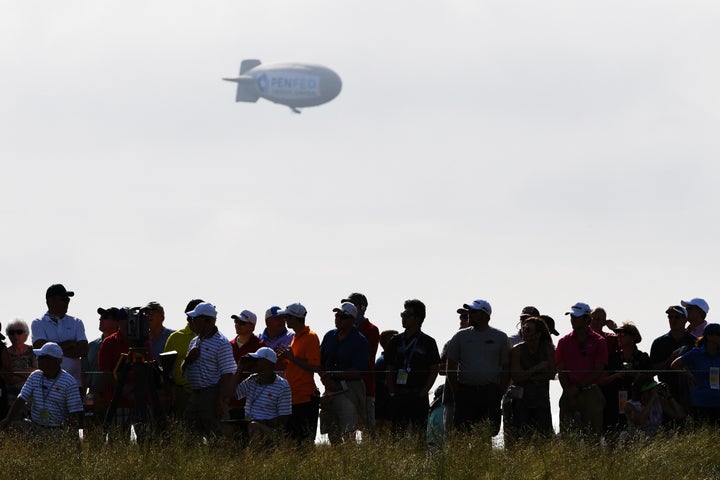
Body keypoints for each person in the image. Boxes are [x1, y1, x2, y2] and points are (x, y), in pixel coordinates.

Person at [445, 299, 510, 439]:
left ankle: (483, 461)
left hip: (489, 392)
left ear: (486, 315)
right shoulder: (460, 336)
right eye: (470, 311)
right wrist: (457, 391)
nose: (470, 314)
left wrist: (499, 392)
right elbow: (451, 366)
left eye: (474, 312)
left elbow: (506, 368)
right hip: (466, 391)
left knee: (485, 434)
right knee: (461, 434)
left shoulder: (500, 337)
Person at [385, 299, 440, 437]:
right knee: (397, 435)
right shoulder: (395, 341)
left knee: (419, 435)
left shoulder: (428, 342)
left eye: (407, 314)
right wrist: (392, 392)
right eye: (402, 314)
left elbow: (434, 369)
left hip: (418, 395)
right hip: (398, 394)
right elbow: (389, 367)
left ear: (418, 318)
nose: (403, 317)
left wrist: (424, 391)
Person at [0, 342, 84, 432]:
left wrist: (75, 437)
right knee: (11, 427)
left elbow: (75, 412)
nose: (37, 359)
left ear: (53, 361)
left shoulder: (69, 382)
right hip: (35, 425)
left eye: (41, 357)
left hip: (58, 430)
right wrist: (8, 419)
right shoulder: (35, 376)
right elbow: (21, 398)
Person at [182, 302, 236, 438]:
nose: (192, 322)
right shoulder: (194, 341)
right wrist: (188, 359)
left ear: (207, 321)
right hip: (195, 395)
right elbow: (184, 368)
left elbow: (228, 374)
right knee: (190, 434)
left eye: (195, 318)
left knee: (216, 435)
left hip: (212, 395)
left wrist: (220, 400)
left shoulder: (222, 343)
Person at [319, 302, 370, 444]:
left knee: (348, 431)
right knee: (331, 430)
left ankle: (349, 461)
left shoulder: (360, 341)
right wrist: (325, 378)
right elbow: (320, 361)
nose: (339, 319)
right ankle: (337, 458)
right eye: (337, 316)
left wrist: (333, 375)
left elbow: (358, 372)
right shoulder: (329, 336)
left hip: (349, 389)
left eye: (343, 317)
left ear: (353, 320)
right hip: (329, 388)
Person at [555, 302, 608, 438]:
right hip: (568, 392)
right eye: (571, 316)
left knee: (593, 437)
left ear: (586, 319)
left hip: (591, 392)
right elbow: (561, 370)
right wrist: (569, 392)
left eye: (576, 317)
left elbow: (599, 369)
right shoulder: (563, 341)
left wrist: (577, 388)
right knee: (568, 437)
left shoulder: (599, 341)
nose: (572, 319)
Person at [97, 307, 153, 429]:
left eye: (132, 320)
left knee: (147, 440)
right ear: (119, 322)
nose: (129, 323)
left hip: (142, 401)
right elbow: (106, 374)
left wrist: (135, 391)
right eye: (126, 320)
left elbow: (148, 370)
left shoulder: (144, 343)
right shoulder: (109, 343)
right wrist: (124, 390)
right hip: (118, 403)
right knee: (118, 442)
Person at [277, 303, 321, 447]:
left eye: (287, 317)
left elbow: (314, 366)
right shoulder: (296, 337)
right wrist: (285, 358)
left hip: (305, 397)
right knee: (292, 441)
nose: (285, 320)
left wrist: (292, 358)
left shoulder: (311, 337)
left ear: (295, 318)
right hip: (293, 397)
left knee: (305, 441)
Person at [31, 284, 88, 391]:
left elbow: (83, 350)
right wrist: (69, 344)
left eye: (68, 299)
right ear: (50, 301)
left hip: (74, 383)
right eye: (63, 299)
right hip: (47, 384)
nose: (67, 302)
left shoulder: (77, 322)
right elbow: (40, 347)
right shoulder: (38, 323)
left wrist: (52, 350)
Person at [597, 322, 651, 435]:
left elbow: (650, 381)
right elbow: (602, 380)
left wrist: (636, 375)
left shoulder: (643, 357)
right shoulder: (612, 358)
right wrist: (617, 375)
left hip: (636, 403)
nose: (618, 337)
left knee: (635, 436)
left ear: (633, 337)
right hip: (613, 403)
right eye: (617, 334)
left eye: (622, 334)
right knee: (611, 436)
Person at [509, 316, 556, 440]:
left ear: (538, 333)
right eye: (523, 328)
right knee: (522, 438)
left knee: (544, 437)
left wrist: (526, 375)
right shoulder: (517, 350)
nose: (524, 331)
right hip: (521, 401)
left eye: (528, 329)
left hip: (542, 400)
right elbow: (516, 377)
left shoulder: (548, 348)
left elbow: (552, 374)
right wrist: (537, 368)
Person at [650, 305, 696, 424]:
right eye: (670, 317)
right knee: (668, 430)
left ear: (685, 320)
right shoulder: (659, 342)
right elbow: (652, 371)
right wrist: (670, 360)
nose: (673, 320)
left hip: (690, 393)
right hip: (666, 392)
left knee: (691, 428)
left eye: (677, 317)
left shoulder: (695, 342)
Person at [235, 347, 292, 443]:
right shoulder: (252, 380)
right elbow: (231, 393)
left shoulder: (282, 385)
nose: (255, 362)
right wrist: (239, 369)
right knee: (227, 428)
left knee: (254, 427)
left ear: (267, 363)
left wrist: (261, 422)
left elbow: (283, 419)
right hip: (250, 424)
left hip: (270, 430)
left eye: (258, 360)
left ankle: (252, 457)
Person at [342, 293, 380, 434]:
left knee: (367, 428)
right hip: (343, 386)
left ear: (362, 308)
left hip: (365, 386)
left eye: (352, 305)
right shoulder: (341, 329)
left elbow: (365, 359)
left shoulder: (371, 329)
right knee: (346, 430)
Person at [671, 323, 720, 426]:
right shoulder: (696, 353)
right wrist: (691, 377)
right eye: (718, 334)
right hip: (701, 401)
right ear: (709, 336)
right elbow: (675, 365)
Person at [163, 298, 203, 419]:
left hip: (207, 394)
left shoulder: (215, 339)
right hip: (182, 394)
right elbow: (165, 369)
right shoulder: (175, 337)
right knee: (184, 430)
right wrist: (170, 393)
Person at [81, 307, 120, 423]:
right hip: (92, 395)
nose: (100, 319)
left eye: (105, 317)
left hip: (116, 396)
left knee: (116, 430)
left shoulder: (122, 344)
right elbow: (83, 373)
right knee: (90, 428)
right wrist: (83, 397)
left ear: (116, 322)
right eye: (101, 317)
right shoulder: (91, 346)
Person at [228, 309, 265, 424]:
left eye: (242, 323)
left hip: (252, 404)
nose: (238, 325)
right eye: (236, 321)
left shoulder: (261, 347)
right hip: (229, 402)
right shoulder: (228, 345)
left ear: (252, 327)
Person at [439, 308, 469, 433]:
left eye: (466, 316)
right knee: (451, 436)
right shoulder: (451, 343)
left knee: (477, 436)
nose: (462, 319)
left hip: (476, 398)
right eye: (461, 316)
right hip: (452, 398)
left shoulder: (485, 343)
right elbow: (441, 369)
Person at [1, 319, 36, 417]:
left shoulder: (33, 351)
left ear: (26, 334)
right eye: (11, 332)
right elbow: (6, 377)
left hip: (30, 396)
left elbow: (36, 372)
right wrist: (25, 374)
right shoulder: (5, 352)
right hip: (10, 397)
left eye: (19, 332)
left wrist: (13, 373)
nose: (15, 336)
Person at [374, 329, 398, 434]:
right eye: (394, 338)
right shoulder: (384, 361)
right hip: (385, 408)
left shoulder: (383, 359)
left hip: (383, 408)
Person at [260, 306, 294, 374]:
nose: (282, 321)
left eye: (283, 318)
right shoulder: (258, 339)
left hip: (286, 383)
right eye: (278, 318)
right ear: (267, 321)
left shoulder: (293, 337)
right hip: (261, 383)